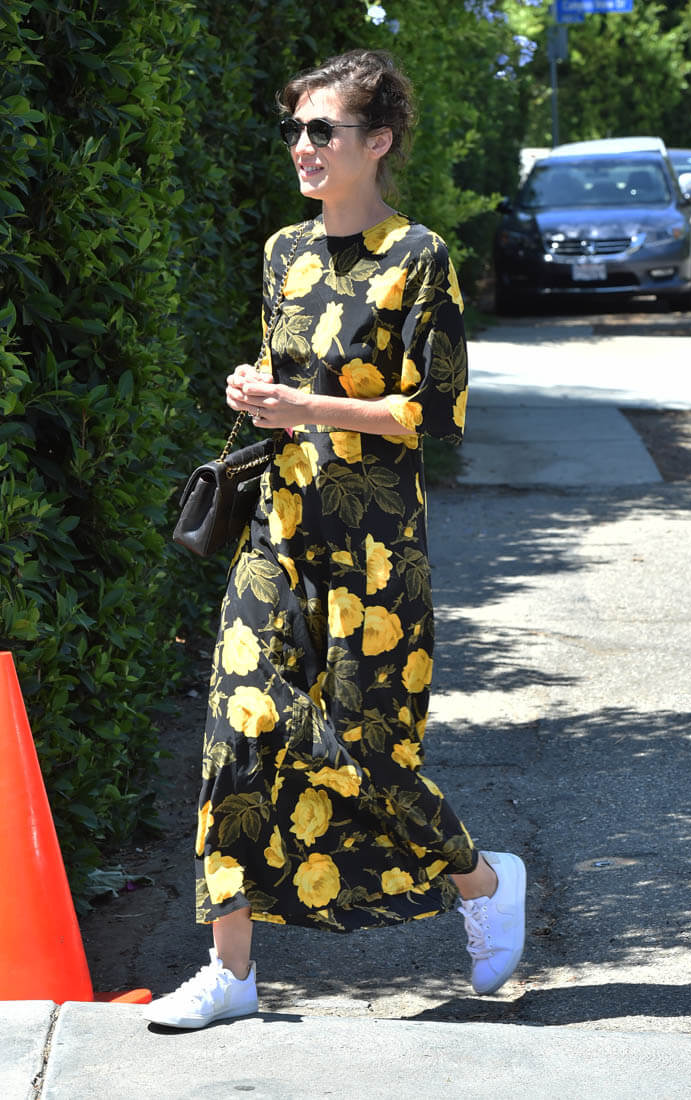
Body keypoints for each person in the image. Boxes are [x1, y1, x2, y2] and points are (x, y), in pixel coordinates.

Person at [145, 48, 525, 1030]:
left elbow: (432, 412)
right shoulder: (284, 252)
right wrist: (253, 389)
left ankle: (483, 881)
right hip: (277, 534)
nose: (303, 146)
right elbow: (286, 371)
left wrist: (306, 405)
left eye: (324, 129)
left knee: (370, 755)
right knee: (236, 731)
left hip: (374, 552)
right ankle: (230, 971)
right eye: (296, 129)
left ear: (378, 140)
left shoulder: (418, 256)